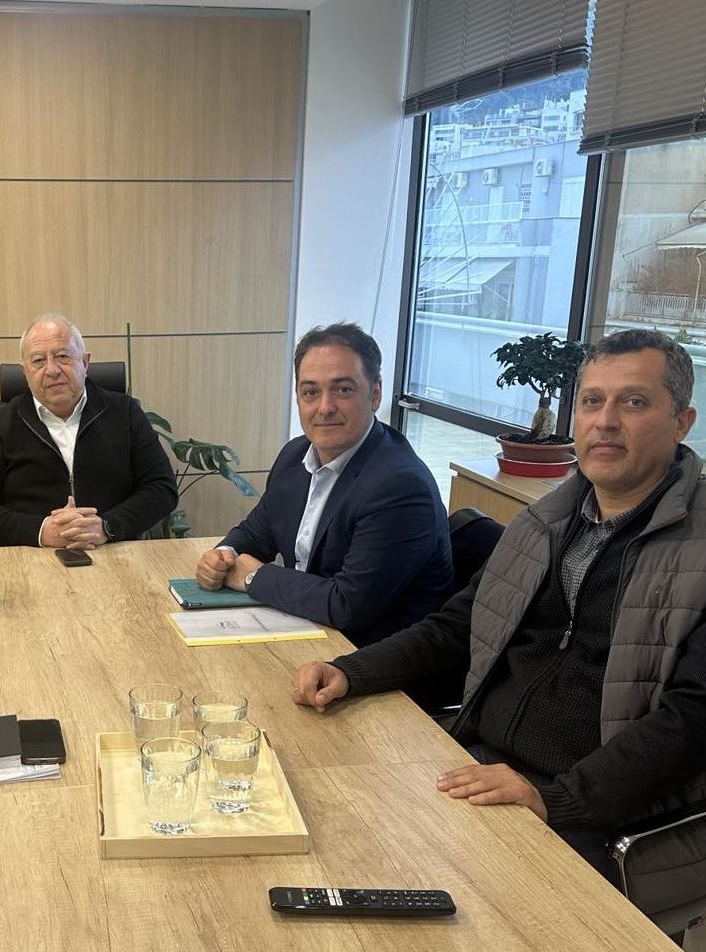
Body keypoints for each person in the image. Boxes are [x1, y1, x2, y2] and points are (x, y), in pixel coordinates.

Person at [292, 328, 706, 884]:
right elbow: (459, 627)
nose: (605, 422)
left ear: (682, 421)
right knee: (319, 832)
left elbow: (693, 720)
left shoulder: (697, 550)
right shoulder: (544, 522)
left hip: (595, 817)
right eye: (591, 401)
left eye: (633, 402)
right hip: (480, 764)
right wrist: (351, 671)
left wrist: (555, 798)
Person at [195, 323, 452, 646]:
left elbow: (348, 605)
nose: (325, 407)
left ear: (374, 395)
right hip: (307, 631)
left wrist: (252, 576)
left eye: (342, 390)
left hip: (366, 656)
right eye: (310, 392)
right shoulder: (295, 456)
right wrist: (223, 556)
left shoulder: (400, 486)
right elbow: (256, 532)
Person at [0, 314, 178, 548]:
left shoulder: (125, 413)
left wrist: (106, 526)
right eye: (38, 361)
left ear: (85, 362)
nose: (52, 370)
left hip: (113, 550)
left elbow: (162, 487)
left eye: (63, 356)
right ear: (25, 373)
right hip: (30, 555)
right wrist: (40, 531)